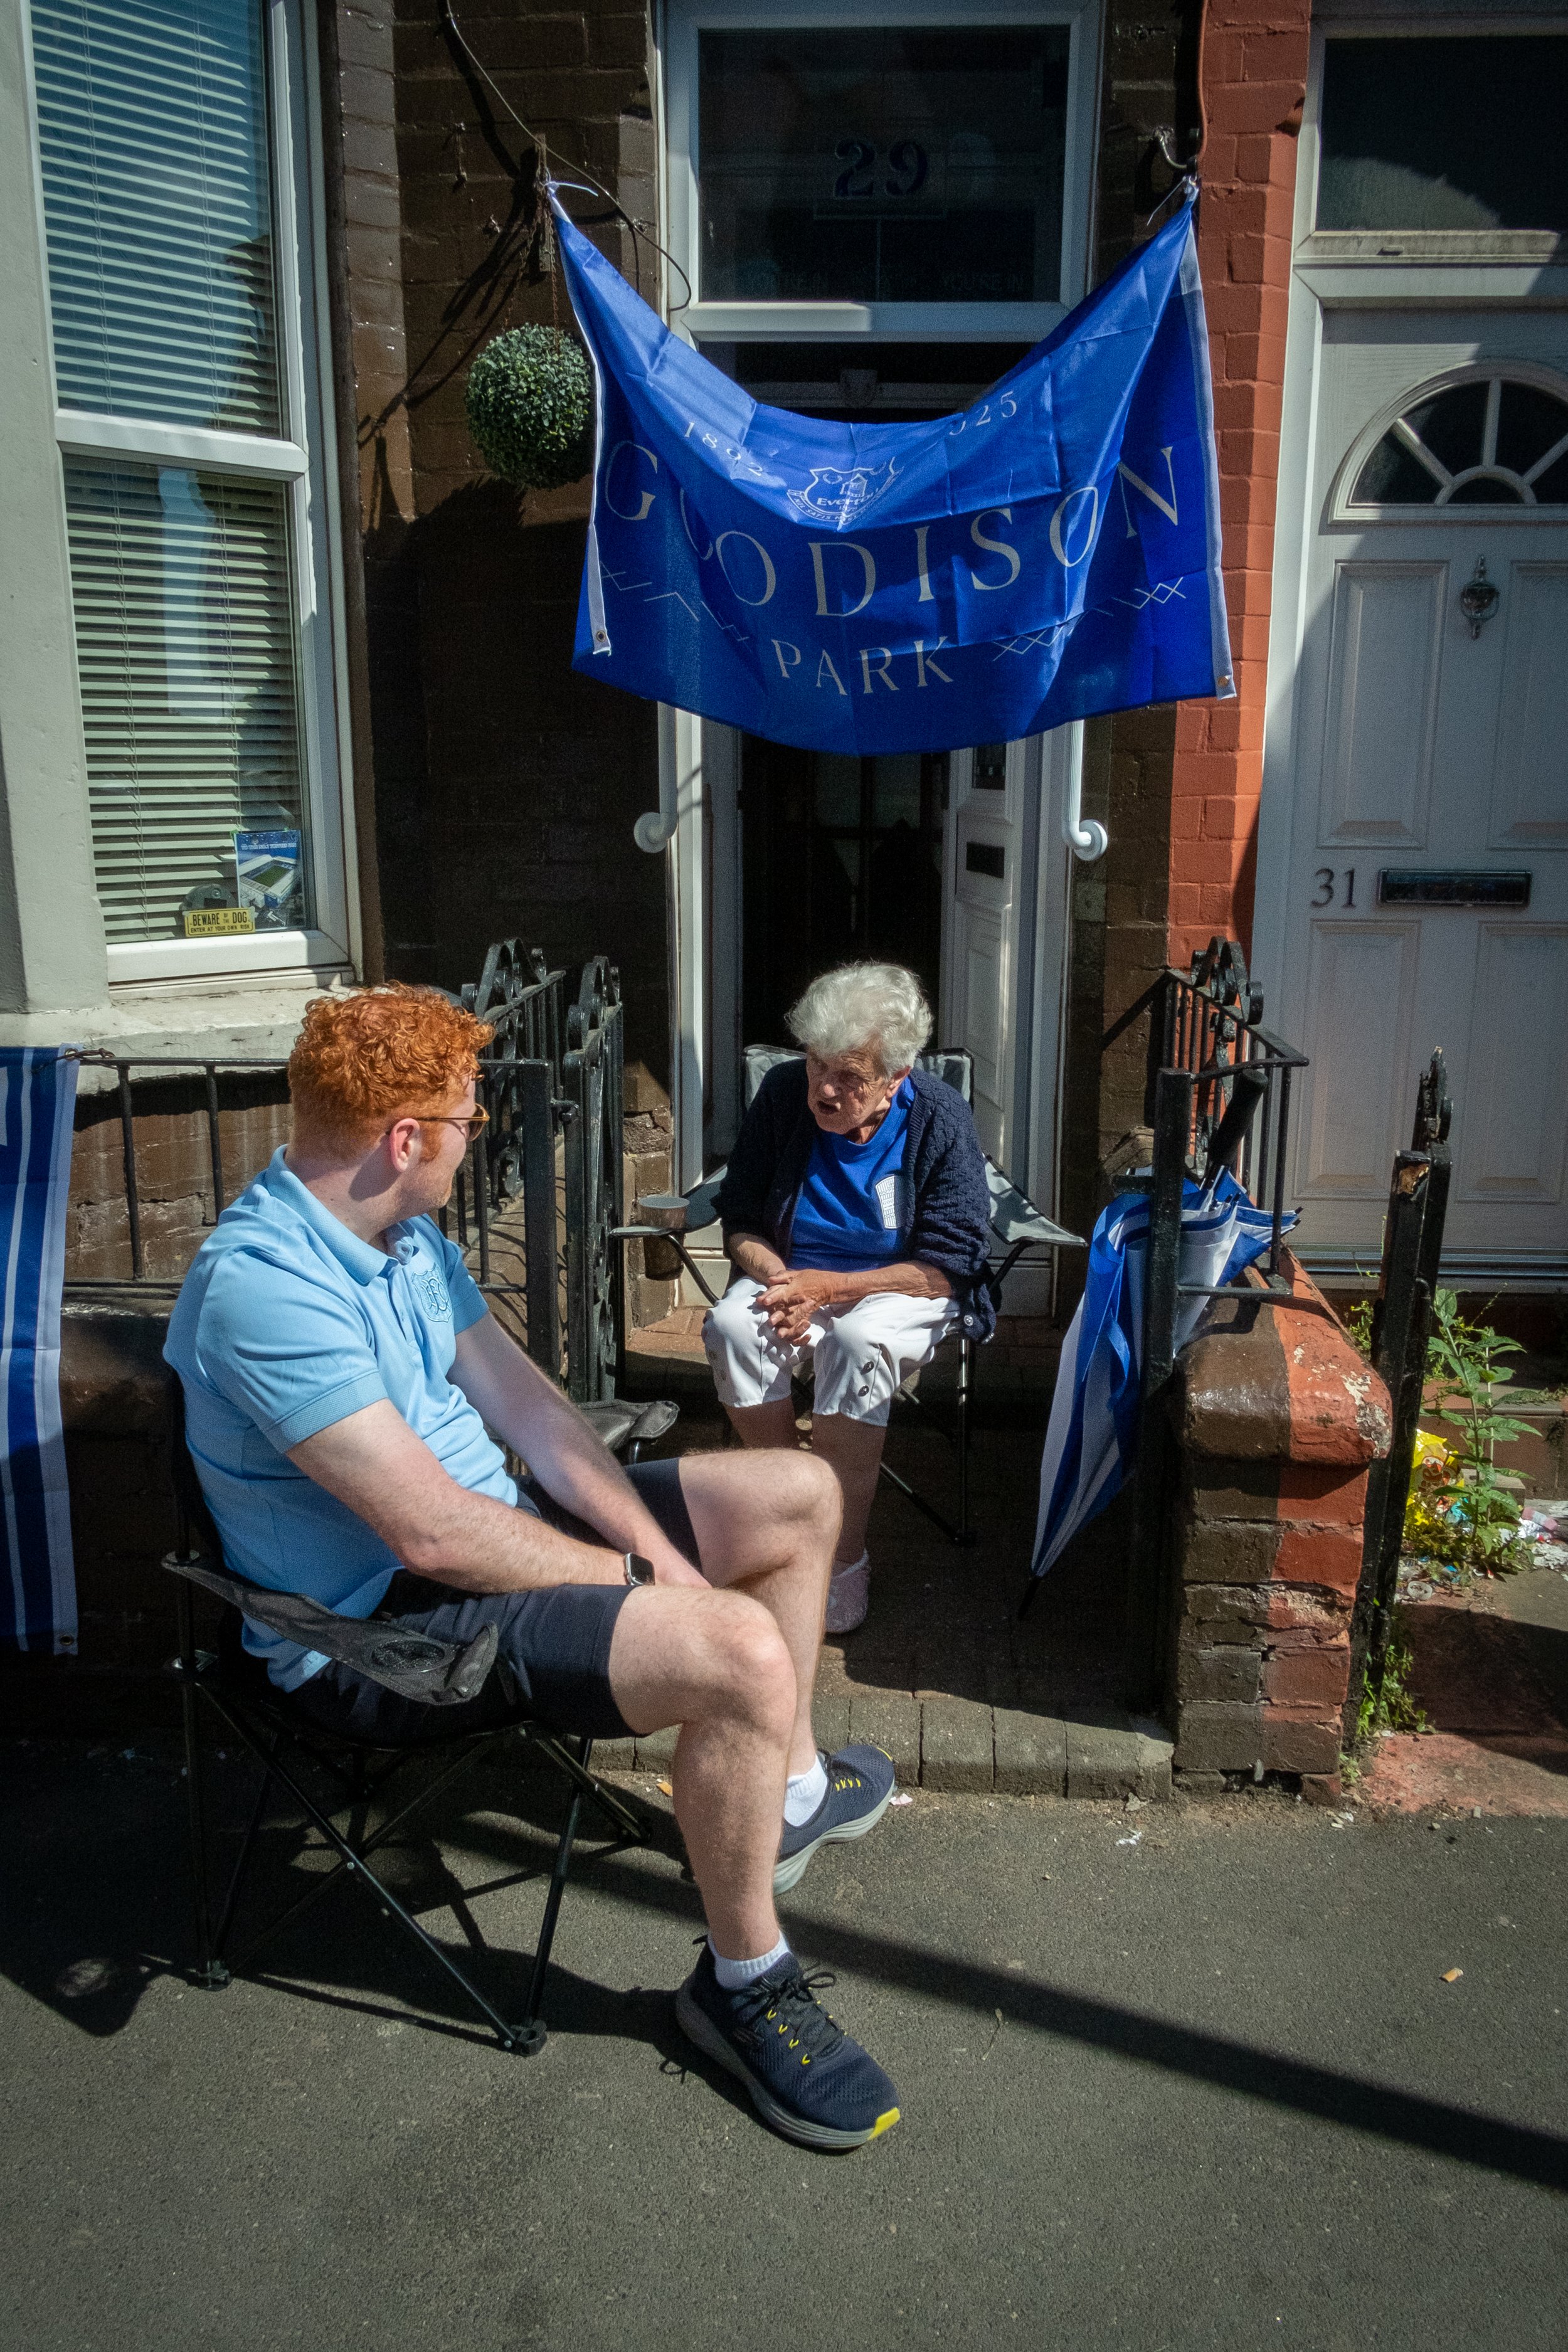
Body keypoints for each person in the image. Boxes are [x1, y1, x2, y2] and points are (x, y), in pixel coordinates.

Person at [164, 983, 901, 2153]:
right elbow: (432, 1537)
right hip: (378, 1631)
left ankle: (791, 1794)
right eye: (465, 1122)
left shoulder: (396, 1237)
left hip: (485, 1542)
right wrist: (636, 1589)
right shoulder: (264, 1291)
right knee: (742, 1653)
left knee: (798, 1494)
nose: (476, 1139)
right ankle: (744, 1982)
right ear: (405, 1141)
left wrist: (652, 1550)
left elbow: (536, 1417)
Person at [704, 963, 994, 1634]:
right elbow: (741, 1217)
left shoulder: (940, 1116)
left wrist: (831, 1289)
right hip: (794, 1274)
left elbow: (953, 1264)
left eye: (849, 1077)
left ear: (895, 1079)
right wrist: (782, 1282)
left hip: (899, 1285)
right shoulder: (782, 1095)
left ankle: (843, 1558)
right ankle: (789, 1519)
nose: (824, 1090)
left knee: (858, 1343)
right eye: (815, 1065)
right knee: (731, 1327)